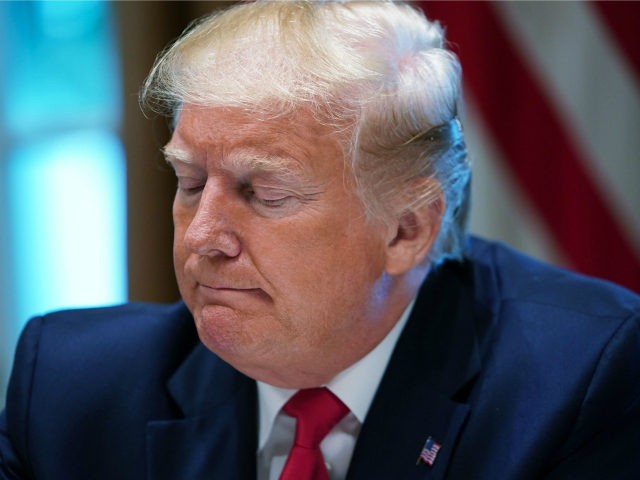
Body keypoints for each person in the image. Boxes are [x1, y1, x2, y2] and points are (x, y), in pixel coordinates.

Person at [1, 1, 639, 479]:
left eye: (265, 194)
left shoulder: (577, 383)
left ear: (406, 230)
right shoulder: (68, 389)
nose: (203, 237)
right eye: (190, 183)